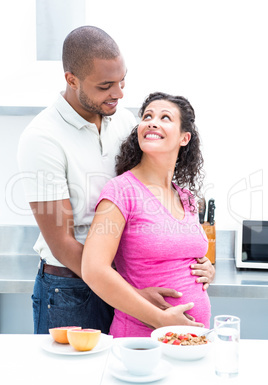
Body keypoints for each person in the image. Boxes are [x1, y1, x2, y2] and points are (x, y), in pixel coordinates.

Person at [18, 26, 214, 335]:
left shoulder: (123, 121)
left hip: (119, 282)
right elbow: (63, 244)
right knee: (71, 383)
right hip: (70, 289)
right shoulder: (41, 139)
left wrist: (197, 264)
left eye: (122, 81)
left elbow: (149, 198)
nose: (119, 94)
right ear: (72, 80)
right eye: (106, 85)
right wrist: (132, 292)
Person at [81, 92, 212, 337]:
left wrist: (207, 270)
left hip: (191, 341)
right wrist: (161, 320)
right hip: (141, 340)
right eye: (147, 116)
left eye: (165, 117)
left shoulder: (185, 197)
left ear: (185, 138)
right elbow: (93, 269)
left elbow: (183, 256)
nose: (152, 122)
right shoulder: (121, 191)